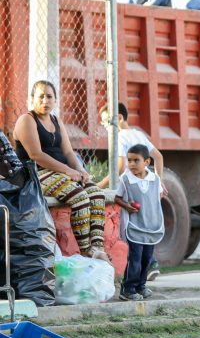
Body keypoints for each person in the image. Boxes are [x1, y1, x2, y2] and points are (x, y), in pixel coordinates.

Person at [13, 80, 110, 264]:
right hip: (36, 174)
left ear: (55, 100)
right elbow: (36, 155)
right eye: (41, 96)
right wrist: (68, 171)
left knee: (97, 194)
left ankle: (98, 248)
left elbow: (68, 152)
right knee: (80, 197)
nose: (45, 100)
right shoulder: (27, 120)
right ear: (32, 99)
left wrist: (80, 170)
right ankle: (87, 251)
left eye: (49, 96)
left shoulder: (56, 121)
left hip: (61, 173)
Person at [99, 102, 166, 280]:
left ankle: (146, 266)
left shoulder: (119, 137)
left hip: (131, 190)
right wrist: (159, 183)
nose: (104, 126)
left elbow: (120, 167)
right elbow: (158, 157)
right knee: (145, 226)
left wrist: (100, 185)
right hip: (146, 188)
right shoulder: (138, 134)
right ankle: (150, 265)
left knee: (133, 230)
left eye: (106, 122)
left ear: (119, 118)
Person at [115, 144, 165, 301]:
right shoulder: (125, 180)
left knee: (147, 259)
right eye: (129, 160)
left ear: (147, 162)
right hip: (135, 226)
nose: (131, 164)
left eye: (136, 160)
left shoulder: (155, 180)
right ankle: (128, 288)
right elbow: (117, 198)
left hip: (151, 226)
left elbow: (156, 198)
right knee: (135, 260)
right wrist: (126, 206)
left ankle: (140, 286)